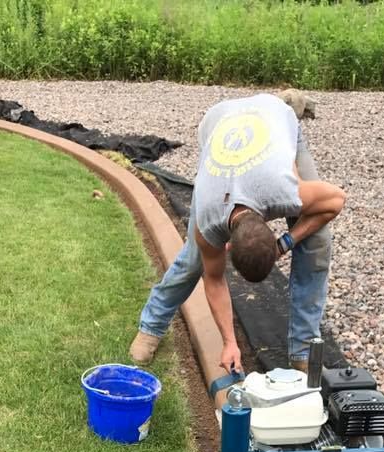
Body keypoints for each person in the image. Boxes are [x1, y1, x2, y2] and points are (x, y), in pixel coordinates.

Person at [129, 92, 346, 373]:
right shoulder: (210, 218)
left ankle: (303, 349)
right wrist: (229, 342)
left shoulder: (286, 192)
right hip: (220, 121)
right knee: (196, 257)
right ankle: (151, 325)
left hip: (275, 114)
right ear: (226, 244)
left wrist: (287, 242)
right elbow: (214, 278)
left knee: (317, 243)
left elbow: (337, 200)